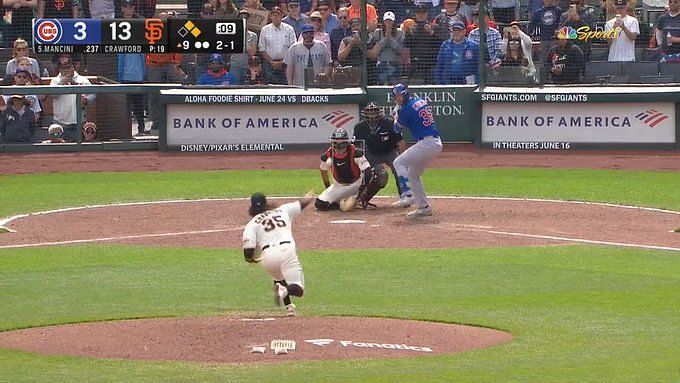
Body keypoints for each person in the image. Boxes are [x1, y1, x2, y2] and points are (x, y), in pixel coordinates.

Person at [242, 191, 314, 317]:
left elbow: (248, 252)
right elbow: (302, 203)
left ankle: (290, 308)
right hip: (286, 250)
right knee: (297, 288)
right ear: (266, 204)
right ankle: (284, 291)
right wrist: (309, 195)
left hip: (267, 257)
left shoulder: (251, 224)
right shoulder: (282, 210)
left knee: (279, 279)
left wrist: (252, 259)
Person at [390, 83, 442, 218]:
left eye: (400, 96)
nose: (398, 99)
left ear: (406, 94)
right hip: (432, 142)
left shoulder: (406, 110)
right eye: (396, 97)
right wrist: (399, 113)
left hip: (427, 143)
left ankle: (407, 195)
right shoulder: (419, 100)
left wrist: (395, 116)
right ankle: (423, 207)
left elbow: (397, 129)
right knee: (413, 175)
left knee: (398, 162)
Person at [352, 102, 405, 199]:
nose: (372, 116)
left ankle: (404, 195)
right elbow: (355, 146)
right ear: (365, 114)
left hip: (390, 151)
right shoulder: (359, 127)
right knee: (366, 172)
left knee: (399, 169)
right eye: (369, 113)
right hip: (371, 153)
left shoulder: (389, 123)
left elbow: (400, 141)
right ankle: (360, 197)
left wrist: (402, 158)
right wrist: (359, 162)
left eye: (374, 113)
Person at [315, 128, 371, 211]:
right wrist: (327, 187)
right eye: (336, 143)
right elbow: (323, 171)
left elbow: (367, 171)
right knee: (320, 204)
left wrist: (361, 192)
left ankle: (360, 200)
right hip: (339, 185)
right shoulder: (326, 156)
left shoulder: (356, 153)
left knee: (379, 175)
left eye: (341, 143)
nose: (339, 146)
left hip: (356, 184)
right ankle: (341, 202)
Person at [49, 61, 95, 142]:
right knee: (61, 149)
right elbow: (53, 94)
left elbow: (93, 93)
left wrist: (87, 99)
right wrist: (62, 82)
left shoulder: (83, 80)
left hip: (79, 121)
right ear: (60, 69)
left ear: (73, 68)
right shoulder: (55, 81)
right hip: (61, 122)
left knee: (79, 149)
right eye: (64, 68)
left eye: (68, 68)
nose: (66, 70)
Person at [259, 6, 298, 84]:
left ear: (282, 16)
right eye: (273, 15)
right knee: (270, 86)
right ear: (270, 16)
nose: (275, 17)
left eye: (278, 15)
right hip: (269, 64)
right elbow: (262, 48)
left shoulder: (289, 29)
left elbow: (293, 47)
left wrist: (282, 62)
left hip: (286, 63)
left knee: (286, 85)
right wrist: (271, 62)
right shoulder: (265, 29)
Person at [435, 20, 480, 85]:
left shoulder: (473, 46)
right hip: (448, 81)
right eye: (454, 30)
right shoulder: (445, 45)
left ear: (464, 31)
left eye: (459, 30)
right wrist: (438, 84)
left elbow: (479, 66)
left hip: (467, 82)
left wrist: (477, 83)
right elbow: (439, 65)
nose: (457, 32)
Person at [369, 11, 405, 85]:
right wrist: (386, 38)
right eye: (386, 21)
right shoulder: (377, 33)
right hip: (382, 64)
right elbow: (377, 50)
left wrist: (391, 39)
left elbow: (400, 50)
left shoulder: (400, 33)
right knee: (382, 86)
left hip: (395, 64)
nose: (388, 23)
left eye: (390, 21)